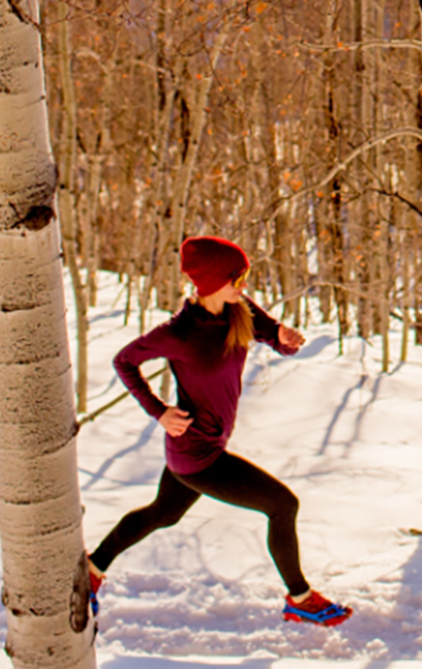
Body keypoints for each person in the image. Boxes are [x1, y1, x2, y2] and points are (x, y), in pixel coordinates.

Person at [88, 235, 351, 628]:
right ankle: (300, 599)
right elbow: (124, 362)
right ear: (212, 282)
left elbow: (270, 333)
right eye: (236, 278)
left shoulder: (237, 309)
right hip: (197, 455)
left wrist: (283, 337)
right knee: (283, 505)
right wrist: (159, 412)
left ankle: (92, 568)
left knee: (163, 513)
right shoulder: (179, 333)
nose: (243, 286)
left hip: (202, 446)